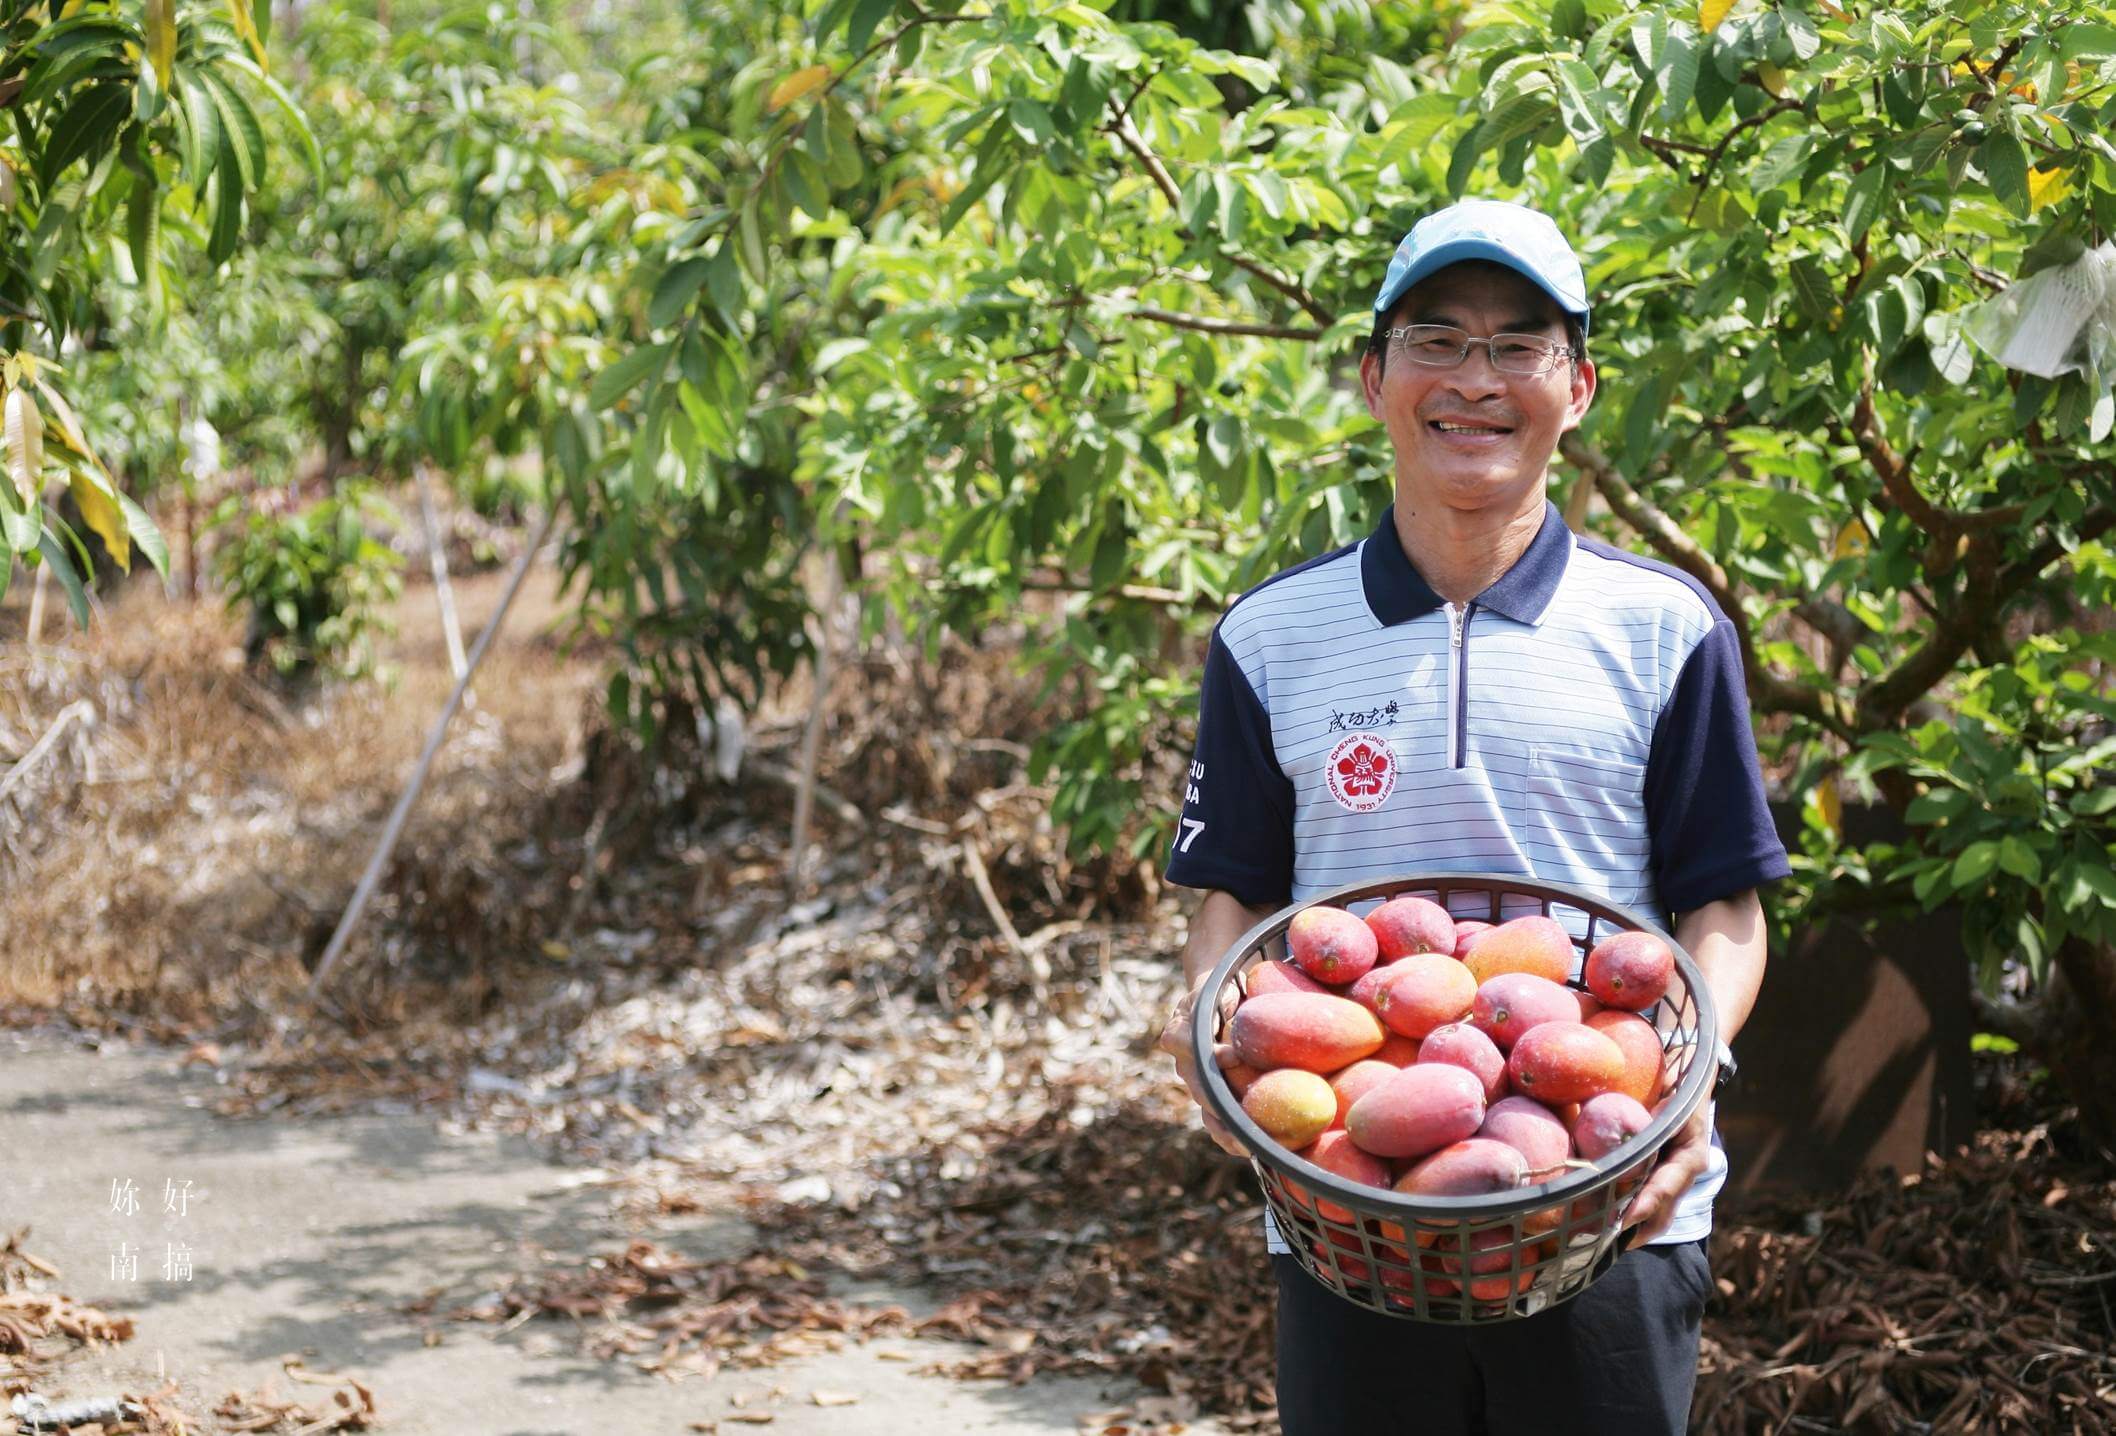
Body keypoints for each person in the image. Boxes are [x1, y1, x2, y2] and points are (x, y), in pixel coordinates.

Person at [1154, 197, 1789, 1436]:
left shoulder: (1663, 627)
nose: (1474, 380)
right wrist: (1204, 1023)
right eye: (1437, 340)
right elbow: (1231, 891)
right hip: (1355, 1199)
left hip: (1604, 1195)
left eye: (1518, 345)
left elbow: (1723, 905)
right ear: (1371, 377)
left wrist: (1691, 1072)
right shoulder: (1271, 635)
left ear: (1580, 386)